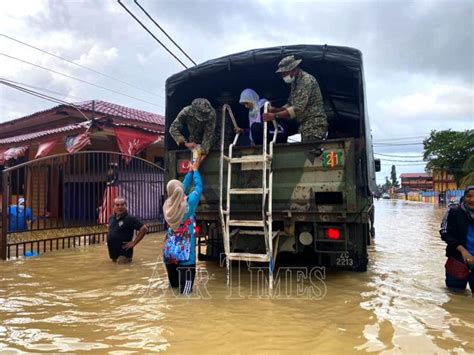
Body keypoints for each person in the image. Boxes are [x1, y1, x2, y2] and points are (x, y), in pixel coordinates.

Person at [263, 55, 328, 143]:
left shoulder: (306, 81)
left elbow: (297, 109)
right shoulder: (295, 83)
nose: (282, 76)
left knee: (311, 154)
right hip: (305, 126)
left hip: (314, 125)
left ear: (293, 70)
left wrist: (275, 116)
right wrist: (275, 110)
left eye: (284, 73)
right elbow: (290, 103)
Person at [163, 159, 203, 294]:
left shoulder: (167, 205)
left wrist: (190, 172)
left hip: (170, 255)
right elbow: (198, 188)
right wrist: (196, 171)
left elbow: (180, 188)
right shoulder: (188, 206)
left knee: (173, 290)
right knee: (185, 296)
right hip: (186, 258)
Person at [440, 186, 474, 291]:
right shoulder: (454, 212)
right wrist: (463, 250)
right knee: (455, 297)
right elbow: (444, 232)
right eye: (469, 196)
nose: (472, 200)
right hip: (457, 261)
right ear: (464, 197)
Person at [169, 98, 216, 163]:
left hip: (209, 142)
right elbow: (173, 128)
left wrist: (203, 152)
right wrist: (185, 144)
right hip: (193, 140)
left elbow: (209, 133)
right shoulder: (186, 111)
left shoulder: (212, 114)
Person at [107, 197, 148, 264]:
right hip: (113, 254)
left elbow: (144, 228)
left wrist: (134, 243)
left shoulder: (130, 218)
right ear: (113, 207)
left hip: (124, 253)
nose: (120, 207)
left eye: (122, 204)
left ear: (126, 206)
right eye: (117, 205)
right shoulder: (111, 218)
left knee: (121, 270)